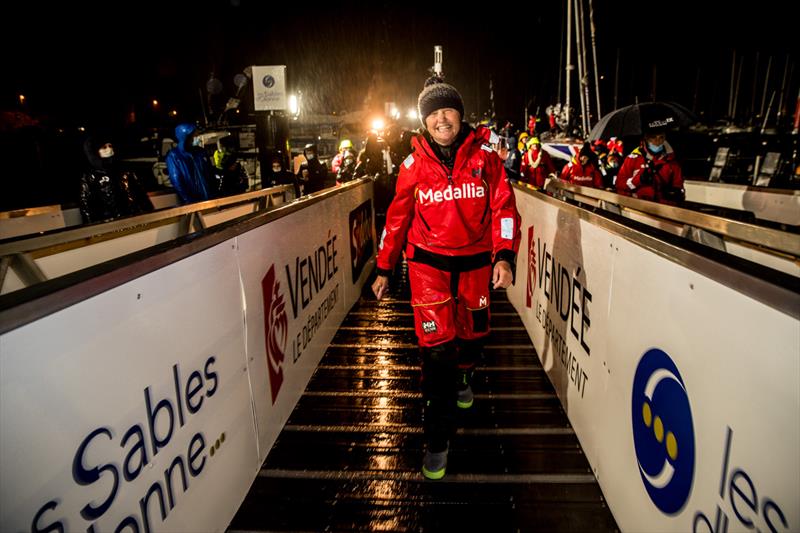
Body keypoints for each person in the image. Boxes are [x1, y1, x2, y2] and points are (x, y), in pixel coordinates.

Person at [371, 75, 521, 480]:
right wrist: (385, 266)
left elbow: (504, 209)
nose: (441, 119)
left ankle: (467, 373)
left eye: (448, 111)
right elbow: (396, 219)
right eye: (433, 113)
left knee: (473, 337)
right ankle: (437, 439)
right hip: (428, 269)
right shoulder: (411, 166)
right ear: (424, 121)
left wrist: (504, 256)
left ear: (460, 115)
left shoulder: (486, 159)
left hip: (475, 267)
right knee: (436, 352)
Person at [79, 132, 153, 223]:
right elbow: (85, 204)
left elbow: (140, 192)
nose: (109, 149)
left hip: (131, 218)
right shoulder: (90, 176)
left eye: (110, 145)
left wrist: (150, 214)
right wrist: (91, 228)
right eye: (104, 147)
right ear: (94, 151)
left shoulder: (124, 170)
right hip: (106, 222)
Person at [615, 129, 684, 204]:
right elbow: (619, 184)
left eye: (661, 137)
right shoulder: (633, 159)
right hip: (638, 207)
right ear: (646, 139)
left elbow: (679, 186)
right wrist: (639, 180)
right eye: (653, 137)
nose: (657, 141)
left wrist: (676, 193)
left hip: (663, 208)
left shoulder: (672, 161)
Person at [166, 123, 215, 204]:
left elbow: (209, 173)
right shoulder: (174, 156)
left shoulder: (200, 152)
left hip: (208, 199)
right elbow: (177, 181)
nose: (196, 138)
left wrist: (213, 194)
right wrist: (188, 201)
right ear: (185, 137)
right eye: (193, 136)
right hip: (192, 203)